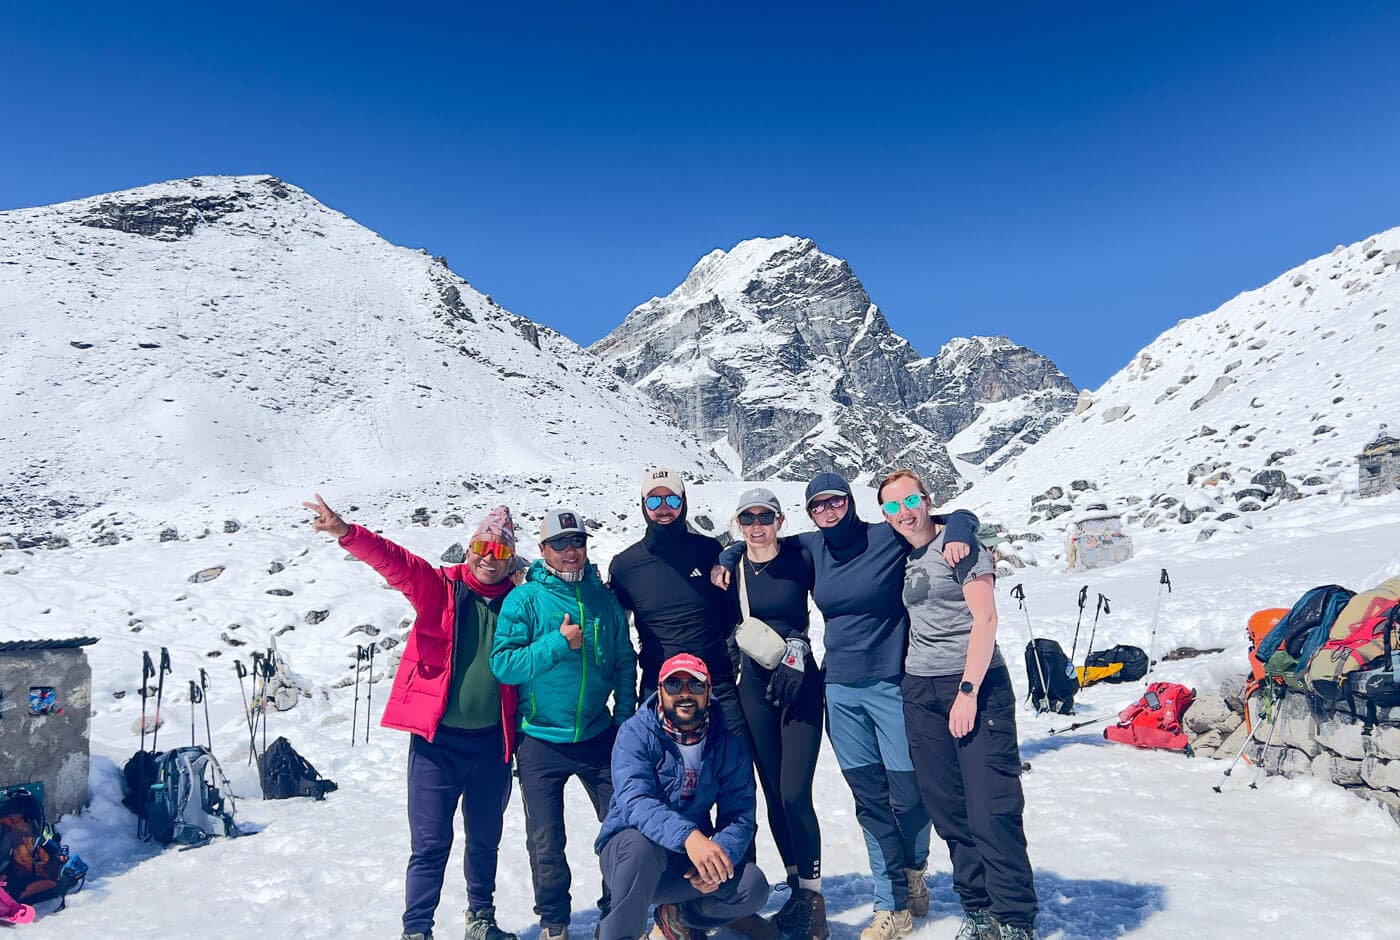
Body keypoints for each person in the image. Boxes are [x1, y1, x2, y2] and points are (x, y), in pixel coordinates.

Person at [714, 472, 978, 940]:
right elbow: (757, 543)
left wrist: (960, 526)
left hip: (893, 683)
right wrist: (729, 551)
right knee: (869, 799)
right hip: (840, 689)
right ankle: (889, 903)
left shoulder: (885, 536)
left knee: (909, 794)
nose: (828, 511)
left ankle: (914, 867)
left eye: (836, 502)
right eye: (819, 505)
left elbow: (940, 520)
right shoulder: (810, 548)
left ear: (850, 502)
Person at [303, 494, 520, 940]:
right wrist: (346, 532)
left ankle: (480, 920)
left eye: (500, 551)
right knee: (429, 845)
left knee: (484, 842)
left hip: (491, 747)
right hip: (436, 745)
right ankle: (417, 929)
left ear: (510, 558)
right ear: (469, 549)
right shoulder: (439, 587)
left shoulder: (520, 604)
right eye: (482, 548)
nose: (489, 558)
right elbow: (394, 562)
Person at [879, 470, 1037, 940]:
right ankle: (978, 907)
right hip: (920, 689)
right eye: (891, 507)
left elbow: (985, 618)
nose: (903, 513)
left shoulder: (961, 544)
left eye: (910, 501)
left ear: (927, 500)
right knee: (947, 807)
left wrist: (968, 691)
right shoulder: (902, 554)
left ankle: (1013, 917)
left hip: (975, 685)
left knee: (991, 806)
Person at [490, 508, 637, 940]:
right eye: (560, 544)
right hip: (540, 739)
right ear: (543, 550)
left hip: (598, 734)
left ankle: (616, 913)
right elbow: (505, 665)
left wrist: (625, 722)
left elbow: (625, 662)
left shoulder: (603, 599)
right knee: (546, 841)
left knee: (622, 829)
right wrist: (558, 642)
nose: (570, 551)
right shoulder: (526, 598)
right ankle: (555, 922)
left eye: (577, 542)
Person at [594, 654, 770, 940]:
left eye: (696, 686)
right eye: (674, 685)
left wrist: (719, 856)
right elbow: (635, 801)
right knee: (641, 846)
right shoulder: (635, 733)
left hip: (685, 860)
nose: (685, 694)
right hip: (629, 855)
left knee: (753, 886)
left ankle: (679, 917)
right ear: (660, 691)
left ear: (709, 692)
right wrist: (689, 837)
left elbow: (740, 815)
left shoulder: (727, 744)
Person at [723, 488, 827, 938]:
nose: (758, 525)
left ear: (780, 521)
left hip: (800, 681)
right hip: (754, 686)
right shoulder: (730, 568)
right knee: (770, 792)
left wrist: (801, 645)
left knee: (794, 793)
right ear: (739, 523)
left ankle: (812, 897)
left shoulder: (801, 554)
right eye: (749, 518)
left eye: (766, 516)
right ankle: (793, 887)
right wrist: (728, 555)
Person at [608, 468, 746, 742]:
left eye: (672, 500)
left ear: (684, 503)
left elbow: (731, 615)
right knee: (661, 777)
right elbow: (612, 632)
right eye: (654, 501)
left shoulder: (708, 551)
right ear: (643, 505)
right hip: (659, 687)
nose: (663, 509)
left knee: (735, 774)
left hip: (715, 684)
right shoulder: (625, 566)